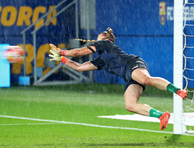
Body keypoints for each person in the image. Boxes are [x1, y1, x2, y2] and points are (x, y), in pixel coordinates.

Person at [49, 27, 187, 130]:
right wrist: (62, 59)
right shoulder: (101, 60)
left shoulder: (104, 43)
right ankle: (162, 116)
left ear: (104, 37)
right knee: (130, 105)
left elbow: (79, 52)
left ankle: (178, 91)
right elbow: (79, 67)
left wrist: (61, 51)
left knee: (146, 80)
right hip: (129, 76)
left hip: (132, 64)